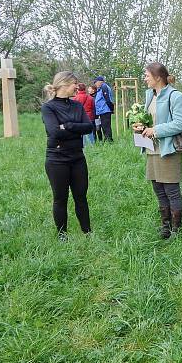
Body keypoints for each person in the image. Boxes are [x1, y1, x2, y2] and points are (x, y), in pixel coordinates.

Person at [137, 62, 182, 238]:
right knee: (158, 188)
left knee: (171, 190)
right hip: (151, 149)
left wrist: (156, 130)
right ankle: (165, 226)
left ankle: (176, 230)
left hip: (168, 149)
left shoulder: (176, 96)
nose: (145, 79)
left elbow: (181, 123)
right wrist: (141, 126)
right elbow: (149, 119)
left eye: (147, 76)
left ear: (158, 77)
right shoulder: (149, 96)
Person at [42, 71, 94, 239]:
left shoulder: (77, 106)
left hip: (78, 157)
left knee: (81, 196)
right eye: (74, 84)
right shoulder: (48, 107)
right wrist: (74, 129)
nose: (77, 87)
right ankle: (62, 234)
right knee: (60, 198)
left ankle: (87, 232)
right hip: (57, 159)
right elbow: (54, 132)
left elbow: (88, 127)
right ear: (64, 84)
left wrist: (69, 125)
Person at [93, 76, 114, 142]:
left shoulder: (104, 87)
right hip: (102, 111)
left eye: (95, 82)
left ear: (100, 81)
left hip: (105, 110)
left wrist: (111, 108)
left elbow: (107, 99)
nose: (95, 84)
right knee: (104, 126)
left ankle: (109, 140)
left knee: (106, 126)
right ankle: (107, 139)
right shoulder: (100, 88)